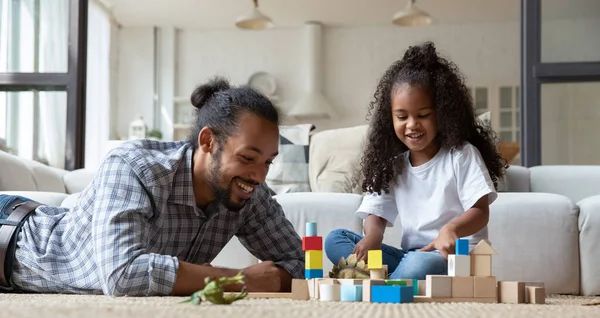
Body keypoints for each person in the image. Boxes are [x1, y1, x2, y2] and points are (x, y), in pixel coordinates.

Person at [0, 77, 304, 296]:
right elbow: (123, 275)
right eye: (248, 157)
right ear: (208, 142)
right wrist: (240, 279)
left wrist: (276, 277)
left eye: (268, 162)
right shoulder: (135, 166)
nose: (259, 175)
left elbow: (300, 264)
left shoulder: (249, 191)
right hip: (12, 238)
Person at [324, 41, 505, 280]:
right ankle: (390, 280)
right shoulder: (394, 164)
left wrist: (450, 230)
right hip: (411, 255)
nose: (411, 124)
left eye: (423, 115)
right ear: (390, 118)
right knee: (336, 240)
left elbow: (480, 211)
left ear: (442, 114)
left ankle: (383, 284)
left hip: (452, 257)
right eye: (402, 116)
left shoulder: (461, 154)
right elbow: (375, 213)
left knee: (416, 265)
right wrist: (373, 237)